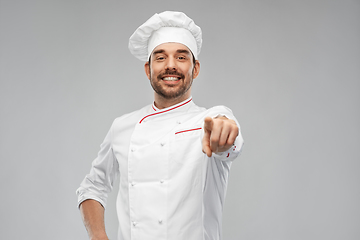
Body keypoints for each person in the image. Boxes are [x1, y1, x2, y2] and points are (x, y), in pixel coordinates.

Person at [76, 11, 244, 240]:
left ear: (195, 69)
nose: (171, 66)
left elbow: (226, 134)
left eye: (182, 57)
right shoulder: (122, 127)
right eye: (161, 57)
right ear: (148, 69)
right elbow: (93, 186)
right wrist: (98, 236)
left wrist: (226, 134)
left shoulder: (208, 120)